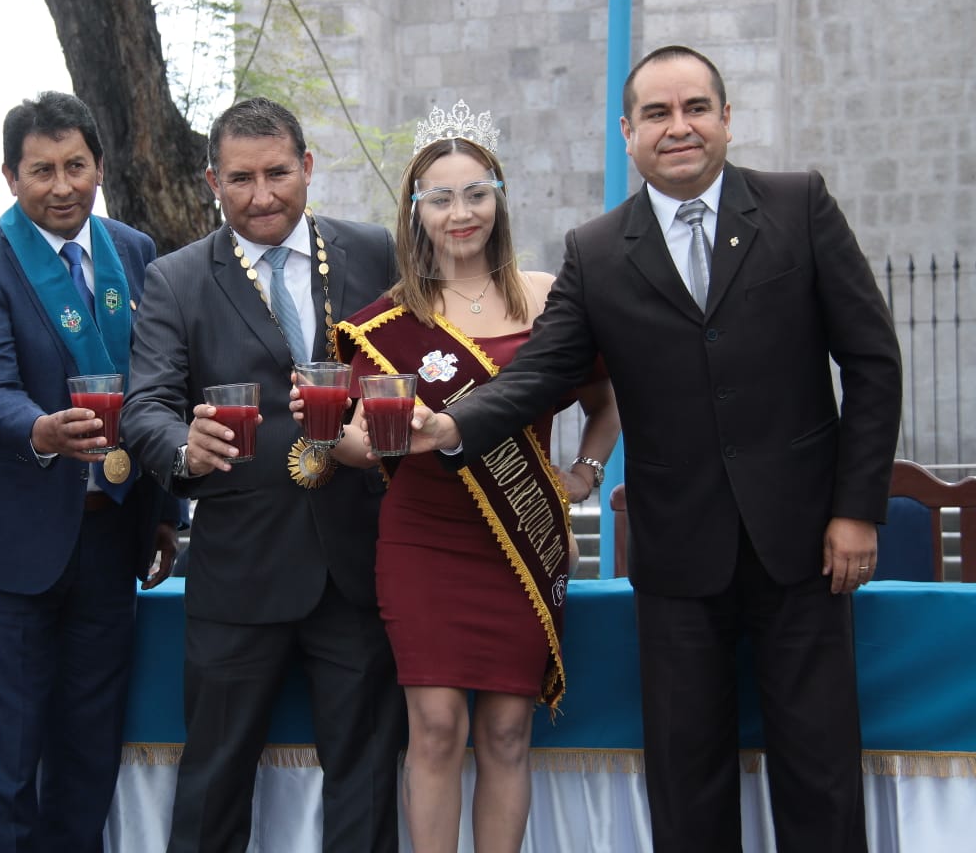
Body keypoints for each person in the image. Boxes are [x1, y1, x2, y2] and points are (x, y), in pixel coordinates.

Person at [411, 46, 903, 851]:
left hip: (808, 546)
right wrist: (451, 426)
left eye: (695, 109)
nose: (679, 128)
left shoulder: (799, 205)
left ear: (725, 119)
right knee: (686, 778)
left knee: (819, 774)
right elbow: (539, 373)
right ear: (627, 133)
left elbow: (874, 364)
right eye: (657, 114)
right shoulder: (598, 249)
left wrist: (857, 510)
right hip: (677, 558)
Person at [314, 102, 620, 852]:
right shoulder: (386, 320)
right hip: (424, 539)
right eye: (442, 197)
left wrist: (582, 473)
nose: (461, 213)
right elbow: (351, 444)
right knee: (438, 725)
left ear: (500, 198)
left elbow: (608, 403)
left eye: (476, 193)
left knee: (510, 729)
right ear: (416, 210)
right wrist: (356, 441)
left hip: (521, 543)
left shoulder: (551, 298)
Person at [121, 96, 406, 853]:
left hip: (356, 563)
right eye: (240, 179)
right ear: (212, 180)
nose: (261, 195)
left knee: (370, 777)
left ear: (307, 167)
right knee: (213, 782)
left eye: (278, 173)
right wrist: (186, 444)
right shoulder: (175, 279)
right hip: (239, 570)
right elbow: (143, 404)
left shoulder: (374, 251)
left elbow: (416, 367)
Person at [0, 91, 179, 853]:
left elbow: (163, 384)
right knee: (7, 759)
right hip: (15, 546)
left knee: (89, 750)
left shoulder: (136, 250)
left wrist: (164, 508)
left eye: (76, 165)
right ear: (10, 176)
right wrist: (36, 428)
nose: (62, 185)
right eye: (42, 170)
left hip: (112, 535)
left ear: (100, 165)